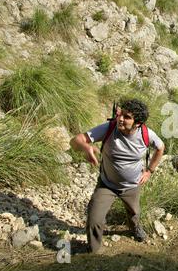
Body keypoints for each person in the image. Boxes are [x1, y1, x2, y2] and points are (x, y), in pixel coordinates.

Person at [70, 99, 165, 253]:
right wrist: (85, 146)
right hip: (107, 184)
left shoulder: (147, 134)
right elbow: (75, 141)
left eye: (126, 117)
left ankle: (135, 229)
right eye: (119, 114)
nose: (120, 118)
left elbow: (160, 148)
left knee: (134, 213)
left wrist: (149, 171)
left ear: (138, 123)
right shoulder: (109, 128)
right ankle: (94, 250)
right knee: (94, 220)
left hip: (132, 186)